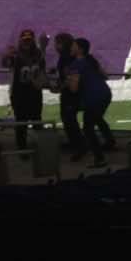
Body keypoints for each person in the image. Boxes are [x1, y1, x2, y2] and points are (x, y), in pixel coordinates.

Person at [68, 38, 114, 168]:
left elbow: (73, 88)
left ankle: (99, 158)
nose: (71, 48)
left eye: (73, 46)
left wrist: (68, 80)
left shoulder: (75, 65)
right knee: (96, 120)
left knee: (88, 129)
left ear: (80, 50)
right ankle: (109, 142)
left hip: (93, 98)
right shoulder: (91, 60)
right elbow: (105, 76)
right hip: (105, 94)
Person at [3, 29, 49, 150]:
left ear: (33, 40)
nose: (26, 43)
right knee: (21, 122)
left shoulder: (38, 54)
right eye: (25, 40)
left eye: (29, 40)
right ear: (20, 40)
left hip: (34, 93)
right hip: (19, 94)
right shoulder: (15, 54)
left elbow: (42, 69)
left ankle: (40, 146)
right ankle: (22, 148)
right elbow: (6, 63)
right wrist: (7, 55)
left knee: (37, 120)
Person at [51, 32, 84, 152]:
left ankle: (77, 144)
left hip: (70, 93)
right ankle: (75, 142)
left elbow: (69, 76)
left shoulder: (66, 57)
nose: (54, 46)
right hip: (72, 91)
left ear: (61, 44)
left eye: (56, 43)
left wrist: (59, 87)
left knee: (69, 119)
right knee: (69, 118)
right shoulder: (68, 56)